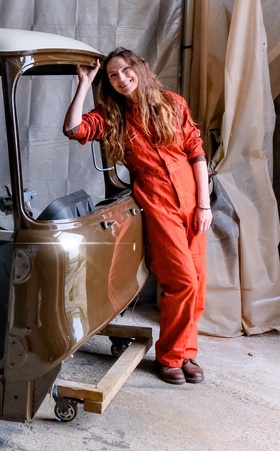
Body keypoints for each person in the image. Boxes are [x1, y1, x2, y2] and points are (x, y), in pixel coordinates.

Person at [63, 48, 212, 385]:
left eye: (125, 70)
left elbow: (196, 153)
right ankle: (171, 357)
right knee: (182, 281)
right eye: (113, 76)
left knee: (197, 284)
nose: (121, 79)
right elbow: (73, 128)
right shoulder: (112, 115)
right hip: (157, 203)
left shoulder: (173, 103)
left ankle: (187, 353)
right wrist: (85, 83)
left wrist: (204, 205)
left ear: (139, 69)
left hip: (191, 200)